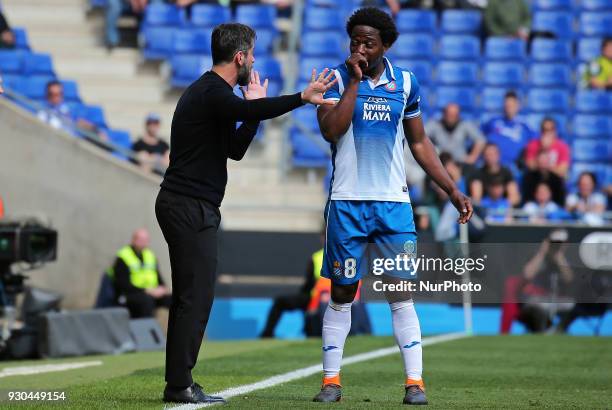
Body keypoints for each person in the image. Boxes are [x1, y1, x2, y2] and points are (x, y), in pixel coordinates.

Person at [155, 23, 336, 404]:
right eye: (251, 54)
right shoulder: (211, 93)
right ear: (239, 58)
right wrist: (301, 97)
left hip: (190, 205)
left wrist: (252, 111)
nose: (253, 61)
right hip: (188, 206)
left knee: (191, 297)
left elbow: (234, 149)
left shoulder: (214, 96)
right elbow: (245, 108)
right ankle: (179, 385)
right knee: (196, 298)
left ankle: (180, 381)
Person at [314, 8, 472, 405]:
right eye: (354, 42)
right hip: (347, 203)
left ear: (386, 44)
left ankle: (414, 383)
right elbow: (331, 129)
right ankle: (331, 381)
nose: (360, 49)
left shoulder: (405, 83)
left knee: (400, 293)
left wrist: (451, 190)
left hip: (393, 207)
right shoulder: (333, 77)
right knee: (342, 292)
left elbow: (419, 144)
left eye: (368, 42)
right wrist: (353, 81)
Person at [500, 229, 574, 334]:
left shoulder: (565, 259)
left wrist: (559, 257)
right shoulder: (537, 257)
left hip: (557, 299)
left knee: (572, 306)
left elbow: (569, 278)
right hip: (535, 299)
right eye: (554, 242)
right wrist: (542, 252)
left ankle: (558, 330)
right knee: (539, 306)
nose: (556, 245)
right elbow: (527, 274)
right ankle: (546, 331)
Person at [107, 228, 171, 318]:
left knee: (173, 300)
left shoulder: (150, 255)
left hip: (149, 293)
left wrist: (163, 289)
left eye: (145, 240)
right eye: (140, 240)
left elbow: (158, 277)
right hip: (129, 294)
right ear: (133, 240)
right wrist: (147, 291)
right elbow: (122, 284)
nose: (143, 242)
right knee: (147, 301)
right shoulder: (123, 256)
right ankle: (146, 329)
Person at [481, 91, 533, 168]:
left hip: (514, 167)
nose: (509, 108)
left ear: (518, 106)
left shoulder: (525, 126)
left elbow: (536, 143)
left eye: (512, 105)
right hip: (492, 166)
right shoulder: (493, 122)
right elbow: (478, 136)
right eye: (507, 105)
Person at [37, 80, 101, 137]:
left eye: (59, 94)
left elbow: (80, 122)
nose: (56, 98)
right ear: (47, 95)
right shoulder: (43, 113)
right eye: (52, 94)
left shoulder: (69, 111)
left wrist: (95, 130)